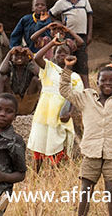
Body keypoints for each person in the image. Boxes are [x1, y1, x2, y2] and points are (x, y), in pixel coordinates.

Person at [60, 54, 112, 216]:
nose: (108, 84)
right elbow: (65, 90)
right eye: (104, 80)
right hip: (91, 151)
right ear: (97, 81)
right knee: (86, 189)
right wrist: (68, 68)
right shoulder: (86, 98)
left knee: (111, 189)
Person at [27, 37, 83, 172]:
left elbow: (76, 97)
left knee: (56, 141)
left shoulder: (75, 77)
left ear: (72, 57)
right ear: (53, 55)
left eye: (65, 53)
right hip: (43, 114)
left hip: (60, 114)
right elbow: (37, 57)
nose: (62, 55)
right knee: (39, 141)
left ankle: (54, 173)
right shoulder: (49, 68)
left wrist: (69, 112)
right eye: (58, 52)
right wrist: (52, 43)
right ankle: (36, 173)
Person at [49, 0, 93, 88]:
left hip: (82, 35)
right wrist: (59, 23)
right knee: (67, 60)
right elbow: (50, 14)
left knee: (82, 62)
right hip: (68, 36)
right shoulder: (61, 3)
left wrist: (90, 34)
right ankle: (65, 86)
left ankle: (86, 89)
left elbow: (90, 16)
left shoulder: (84, 0)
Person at [0, 46, 41, 115]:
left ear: (27, 59)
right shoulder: (10, 66)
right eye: (16, 55)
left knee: (36, 79)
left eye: (23, 55)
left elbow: (38, 73)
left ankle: (42, 108)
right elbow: (2, 70)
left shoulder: (30, 66)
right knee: (2, 78)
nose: (20, 57)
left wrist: (31, 55)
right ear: (12, 58)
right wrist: (9, 53)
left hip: (27, 103)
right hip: (12, 102)